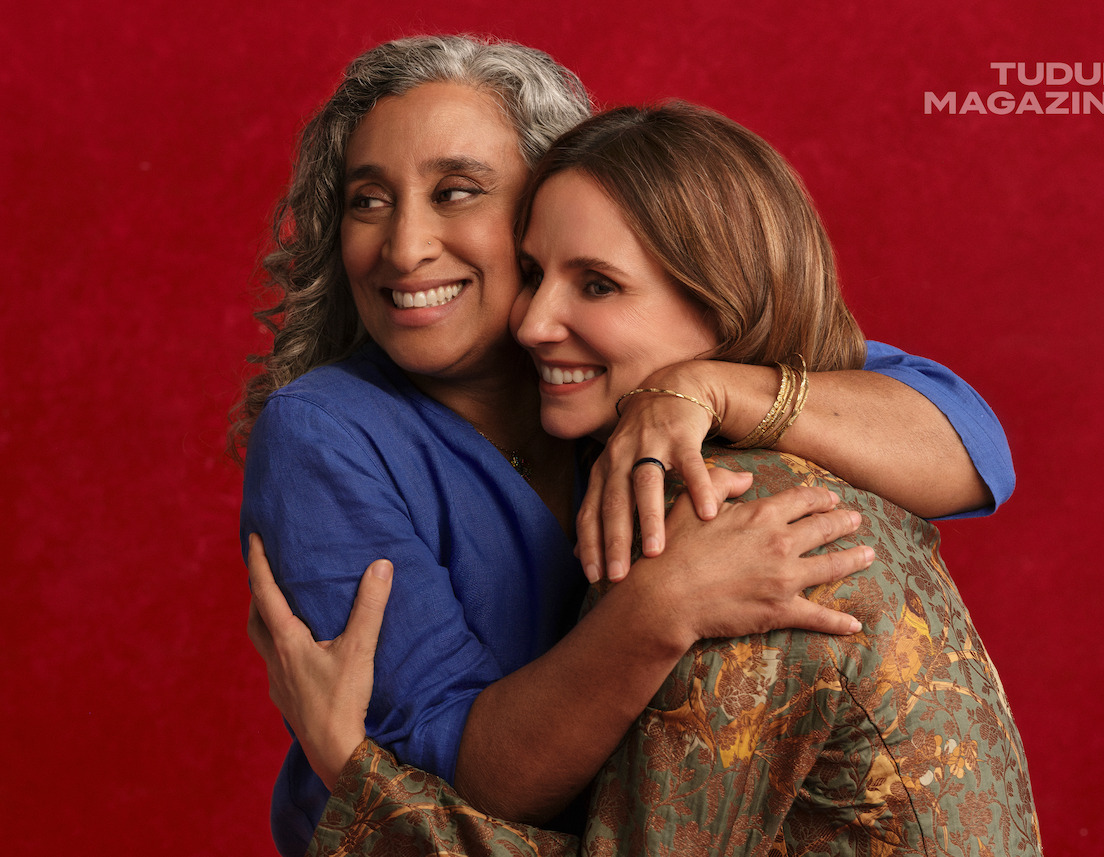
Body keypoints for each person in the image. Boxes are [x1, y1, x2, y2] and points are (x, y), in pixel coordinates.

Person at [235, 35, 1017, 855]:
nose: (404, 247)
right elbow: (454, 775)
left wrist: (702, 388)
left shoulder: (631, 365)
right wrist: (661, 606)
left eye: (458, 192)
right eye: (368, 200)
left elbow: (969, 441)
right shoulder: (328, 432)